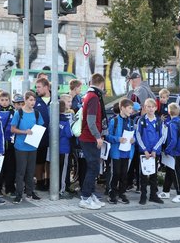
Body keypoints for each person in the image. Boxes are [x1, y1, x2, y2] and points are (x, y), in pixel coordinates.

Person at [78, 73, 107, 210]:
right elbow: (90, 120)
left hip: (88, 137)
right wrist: (97, 136)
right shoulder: (94, 97)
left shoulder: (88, 95)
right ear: (101, 84)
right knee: (93, 168)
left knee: (93, 167)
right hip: (90, 138)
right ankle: (85, 197)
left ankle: (90, 194)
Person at [11, 91, 44, 204]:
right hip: (21, 147)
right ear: (25, 100)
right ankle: (19, 194)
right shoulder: (19, 113)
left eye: (34, 100)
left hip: (32, 146)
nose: (32, 102)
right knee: (21, 171)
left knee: (31, 171)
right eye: (30, 100)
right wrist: (25, 132)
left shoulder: (36, 113)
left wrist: (36, 132)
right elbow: (13, 129)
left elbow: (40, 126)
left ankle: (30, 192)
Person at [135, 98, 166, 205]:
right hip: (144, 152)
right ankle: (143, 195)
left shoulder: (159, 121)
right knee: (143, 175)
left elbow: (162, 137)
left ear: (156, 108)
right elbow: (138, 135)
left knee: (153, 174)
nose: (150, 109)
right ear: (145, 108)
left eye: (152, 107)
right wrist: (144, 150)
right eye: (148, 106)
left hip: (154, 153)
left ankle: (153, 195)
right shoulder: (141, 120)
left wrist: (154, 150)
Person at [158, 103, 180, 203]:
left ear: (169, 112)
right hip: (179, 151)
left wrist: (167, 150)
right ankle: (166, 191)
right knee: (170, 171)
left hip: (173, 152)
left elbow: (173, 140)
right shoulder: (179, 121)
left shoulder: (172, 124)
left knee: (175, 173)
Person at [106, 98, 135, 205]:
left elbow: (134, 135)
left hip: (127, 152)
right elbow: (108, 136)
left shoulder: (131, 121)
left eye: (132, 108)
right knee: (116, 173)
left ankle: (122, 193)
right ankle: (112, 193)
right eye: (130, 108)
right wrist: (117, 139)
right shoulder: (114, 121)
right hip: (116, 152)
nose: (131, 110)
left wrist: (133, 140)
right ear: (122, 108)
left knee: (124, 174)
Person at [34, 77, 51, 191]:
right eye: (36, 87)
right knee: (39, 161)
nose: (37, 89)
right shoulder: (35, 101)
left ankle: (49, 181)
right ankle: (39, 182)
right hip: (39, 137)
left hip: (54, 137)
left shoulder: (56, 100)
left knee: (50, 160)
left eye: (39, 87)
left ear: (46, 87)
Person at [58, 100, 73, 198]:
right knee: (63, 170)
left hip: (55, 149)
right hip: (64, 148)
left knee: (56, 169)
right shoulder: (65, 120)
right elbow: (69, 134)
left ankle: (56, 187)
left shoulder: (54, 119)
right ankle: (61, 190)